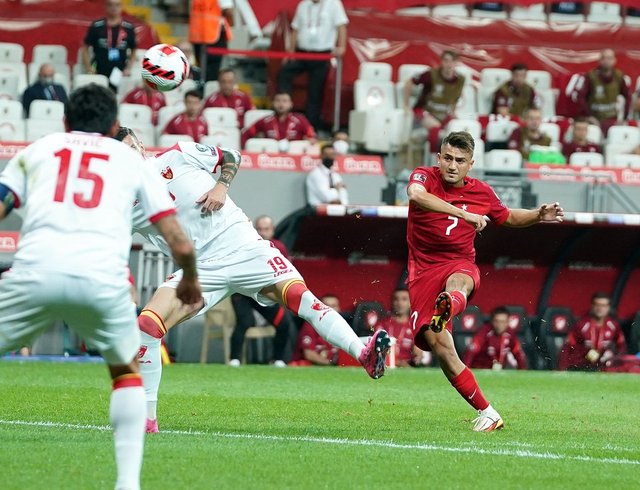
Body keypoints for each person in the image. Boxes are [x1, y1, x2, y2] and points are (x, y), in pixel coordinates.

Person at [118, 129, 390, 433]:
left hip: (245, 248)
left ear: (139, 143)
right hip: (201, 270)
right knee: (147, 325)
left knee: (303, 300)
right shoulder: (123, 204)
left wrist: (221, 186)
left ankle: (362, 353)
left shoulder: (178, 155)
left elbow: (231, 156)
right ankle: (147, 420)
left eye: (129, 147)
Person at [0, 84, 201, 489]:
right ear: (113, 126)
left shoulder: (40, 148)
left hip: (35, 271)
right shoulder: (132, 162)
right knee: (125, 371)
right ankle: (127, 483)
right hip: (102, 280)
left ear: (65, 121)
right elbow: (178, 240)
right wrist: (191, 281)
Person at [407, 130, 563, 431]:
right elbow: (416, 196)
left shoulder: (482, 192)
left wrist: (537, 215)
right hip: (423, 271)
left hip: (459, 263)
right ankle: (488, 412)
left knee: (459, 282)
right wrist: (463, 214)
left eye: (460, 161)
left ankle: (448, 304)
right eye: (448, 158)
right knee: (440, 347)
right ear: (438, 158)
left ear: (471, 164)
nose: (452, 165)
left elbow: (508, 217)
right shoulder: (424, 176)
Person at [229, 215, 296, 367]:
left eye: (266, 229)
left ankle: (278, 359)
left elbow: (286, 274)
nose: (262, 233)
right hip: (243, 292)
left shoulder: (279, 247)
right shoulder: (245, 245)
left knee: (284, 323)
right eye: (259, 229)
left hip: (264, 292)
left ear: (272, 230)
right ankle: (234, 359)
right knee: (244, 321)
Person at [277, 0, 348, 131]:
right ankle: (284, 109)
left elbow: (341, 26)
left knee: (315, 90)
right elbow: (295, 29)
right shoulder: (303, 5)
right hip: (302, 53)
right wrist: (290, 52)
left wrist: (342, 46)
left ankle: (310, 126)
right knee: (284, 73)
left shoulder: (333, 4)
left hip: (322, 55)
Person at [557, 293, 626, 371]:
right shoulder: (581, 325)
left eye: (603, 305)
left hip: (605, 366)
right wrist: (562, 368)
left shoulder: (614, 326)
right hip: (583, 365)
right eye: (597, 305)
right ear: (592, 306)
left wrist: (612, 355)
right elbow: (567, 347)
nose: (600, 308)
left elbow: (621, 347)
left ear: (608, 307)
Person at [403, 50, 465, 134]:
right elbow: (409, 82)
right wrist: (406, 105)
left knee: (459, 128)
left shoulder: (460, 79)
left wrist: (453, 111)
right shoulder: (431, 74)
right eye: (446, 61)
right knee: (435, 128)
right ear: (442, 62)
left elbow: (456, 97)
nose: (449, 64)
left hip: (443, 113)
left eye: (452, 61)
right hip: (424, 110)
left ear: (456, 63)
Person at [81, 0, 137, 90]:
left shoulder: (128, 28)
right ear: (106, 6)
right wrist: (89, 67)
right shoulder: (96, 26)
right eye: (111, 5)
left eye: (117, 5)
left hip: (120, 72)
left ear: (121, 7)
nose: (114, 8)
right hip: (99, 71)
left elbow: (134, 50)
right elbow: (85, 48)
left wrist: (128, 68)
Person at [576, 49, 630, 134]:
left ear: (614, 60)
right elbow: (580, 97)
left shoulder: (619, 76)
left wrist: (624, 118)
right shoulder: (591, 76)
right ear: (599, 60)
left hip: (612, 118)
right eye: (604, 58)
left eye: (609, 58)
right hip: (594, 118)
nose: (606, 61)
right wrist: (589, 116)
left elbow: (628, 96)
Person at [242, 92, 316, 148]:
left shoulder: (300, 120)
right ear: (273, 103)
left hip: (294, 158)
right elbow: (246, 134)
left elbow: (312, 136)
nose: (281, 104)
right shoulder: (265, 121)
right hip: (271, 159)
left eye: (285, 101)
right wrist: (246, 150)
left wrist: (310, 139)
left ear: (291, 104)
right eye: (278, 101)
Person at [375, 288, 427, 368]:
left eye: (404, 299)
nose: (400, 303)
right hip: (385, 365)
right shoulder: (382, 324)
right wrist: (396, 362)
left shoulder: (415, 326)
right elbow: (375, 349)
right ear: (392, 302)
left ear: (410, 303)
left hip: (407, 368)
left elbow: (419, 356)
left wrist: (418, 353)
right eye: (396, 299)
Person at [463, 307, 527, 370]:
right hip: (481, 369)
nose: (499, 325)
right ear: (492, 321)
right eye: (497, 321)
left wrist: (523, 371)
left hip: (499, 371)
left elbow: (518, 354)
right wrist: (466, 370)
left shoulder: (510, 334)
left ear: (508, 322)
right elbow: (470, 352)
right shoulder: (484, 332)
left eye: (503, 322)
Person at [189, 0, 234, 83]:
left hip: (198, 35)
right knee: (212, 72)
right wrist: (231, 22)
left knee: (202, 69)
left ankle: (202, 86)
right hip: (214, 36)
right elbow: (228, 10)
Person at [290, 294, 341, 366]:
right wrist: (330, 364)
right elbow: (309, 354)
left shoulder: (342, 327)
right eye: (326, 306)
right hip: (309, 366)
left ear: (339, 309)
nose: (330, 309)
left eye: (333, 306)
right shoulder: (311, 325)